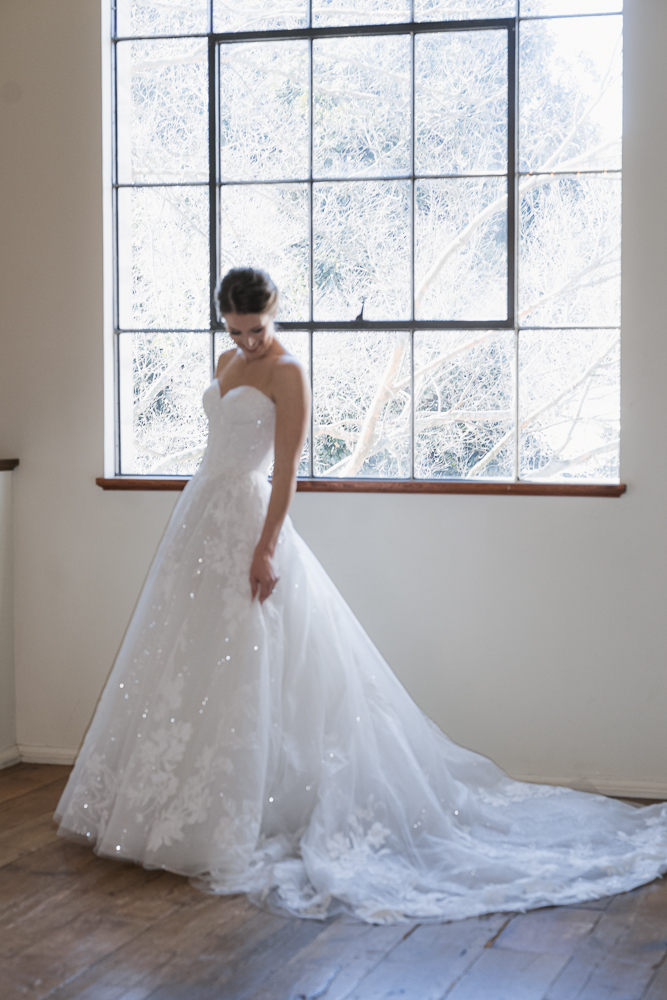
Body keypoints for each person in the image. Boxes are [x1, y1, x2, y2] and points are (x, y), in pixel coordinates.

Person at [56, 268, 667, 925]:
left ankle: (229, 817)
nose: (248, 341)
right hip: (199, 515)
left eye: (257, 328)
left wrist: (264, 548)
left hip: (248, 521)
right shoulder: (226, 359)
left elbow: (286, 469)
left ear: (274, 314)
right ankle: (164, 811)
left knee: (255, 658)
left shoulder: (287, 373)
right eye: (235, 331)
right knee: (185, 658)